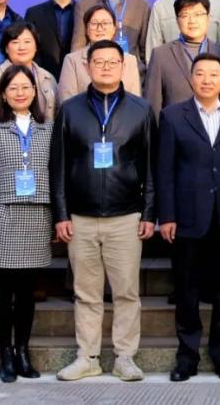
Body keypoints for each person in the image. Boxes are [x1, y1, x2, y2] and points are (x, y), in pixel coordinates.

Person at [50, 40, 157, 382]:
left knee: (126, 292)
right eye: (99, 62)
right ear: (87, 66)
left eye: (113, 61)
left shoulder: (140, 110)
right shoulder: (70, 110)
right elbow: (58, 166)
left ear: (123, 66)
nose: (106, 67)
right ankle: (88, 357)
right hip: (80, 217)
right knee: (86, 293)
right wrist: (61, 214)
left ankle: (125, 357)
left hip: (126, 216)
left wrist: (149, 213)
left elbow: (151, 167)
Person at [157, 53, 220, 382]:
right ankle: (187, 358)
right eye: (200, 74)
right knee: (187, 291)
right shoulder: (172, 116)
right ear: (191, 79)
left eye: (213, 74)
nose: (207, 80)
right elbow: (164, 169)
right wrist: (167, 215)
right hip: (187, 217)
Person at [0, 64, 53, 382]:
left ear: (34, 92)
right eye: (13, 88)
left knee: (27, 292)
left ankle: (22, 350)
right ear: (3, 94)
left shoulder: (48, 128)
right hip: (3, 216)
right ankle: (5, 352)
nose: (20, 93)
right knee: (3, 291)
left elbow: (56, 173)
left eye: (25, 87)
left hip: (37, 217)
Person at [145, 0, 220, 121]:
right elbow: (153, 104)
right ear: (177, 21)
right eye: (185, 15)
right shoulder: (161, 55)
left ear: (208, 18)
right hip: (176, 130)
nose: (192, 21)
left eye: (198, 14)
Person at [58, 5, 142, 102]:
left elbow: (135, 101)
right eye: (94, 23)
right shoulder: (72, 61)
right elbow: (66, 102)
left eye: (105, 23)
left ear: (114, 28)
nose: (100, 28)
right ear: (86, 29)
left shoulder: (130, 60)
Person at [0, 22, 58, 121]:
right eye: (15, 42)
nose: (22, 47)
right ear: (6, 48)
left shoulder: (47, 77)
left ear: (36, 47)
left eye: (27, 42)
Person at [25, 0, 79, 79]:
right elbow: (30, 48)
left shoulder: (83, 12)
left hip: (77, 79)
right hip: (42, 79)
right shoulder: (34, 13)